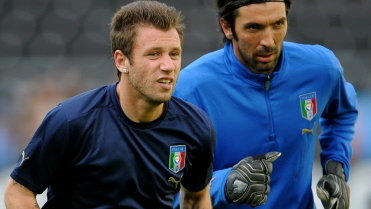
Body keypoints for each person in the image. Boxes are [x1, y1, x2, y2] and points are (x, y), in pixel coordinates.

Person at [4, 1, 215, 209]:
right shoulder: (71, 121)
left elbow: (196, 199)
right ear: (121, 61)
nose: (168, 65)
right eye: (154, 54)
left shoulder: (195, 126)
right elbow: (18, 191)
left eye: (174, 54)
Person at [173, 0, 358, 209]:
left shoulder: (321, 68)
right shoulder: (190, 89)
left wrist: (336, 167)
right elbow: (166, 189)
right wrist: (225, 186)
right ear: (227, 27)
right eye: (254, 27)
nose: (269, 41)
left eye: (278, 24)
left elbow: (342, 114)